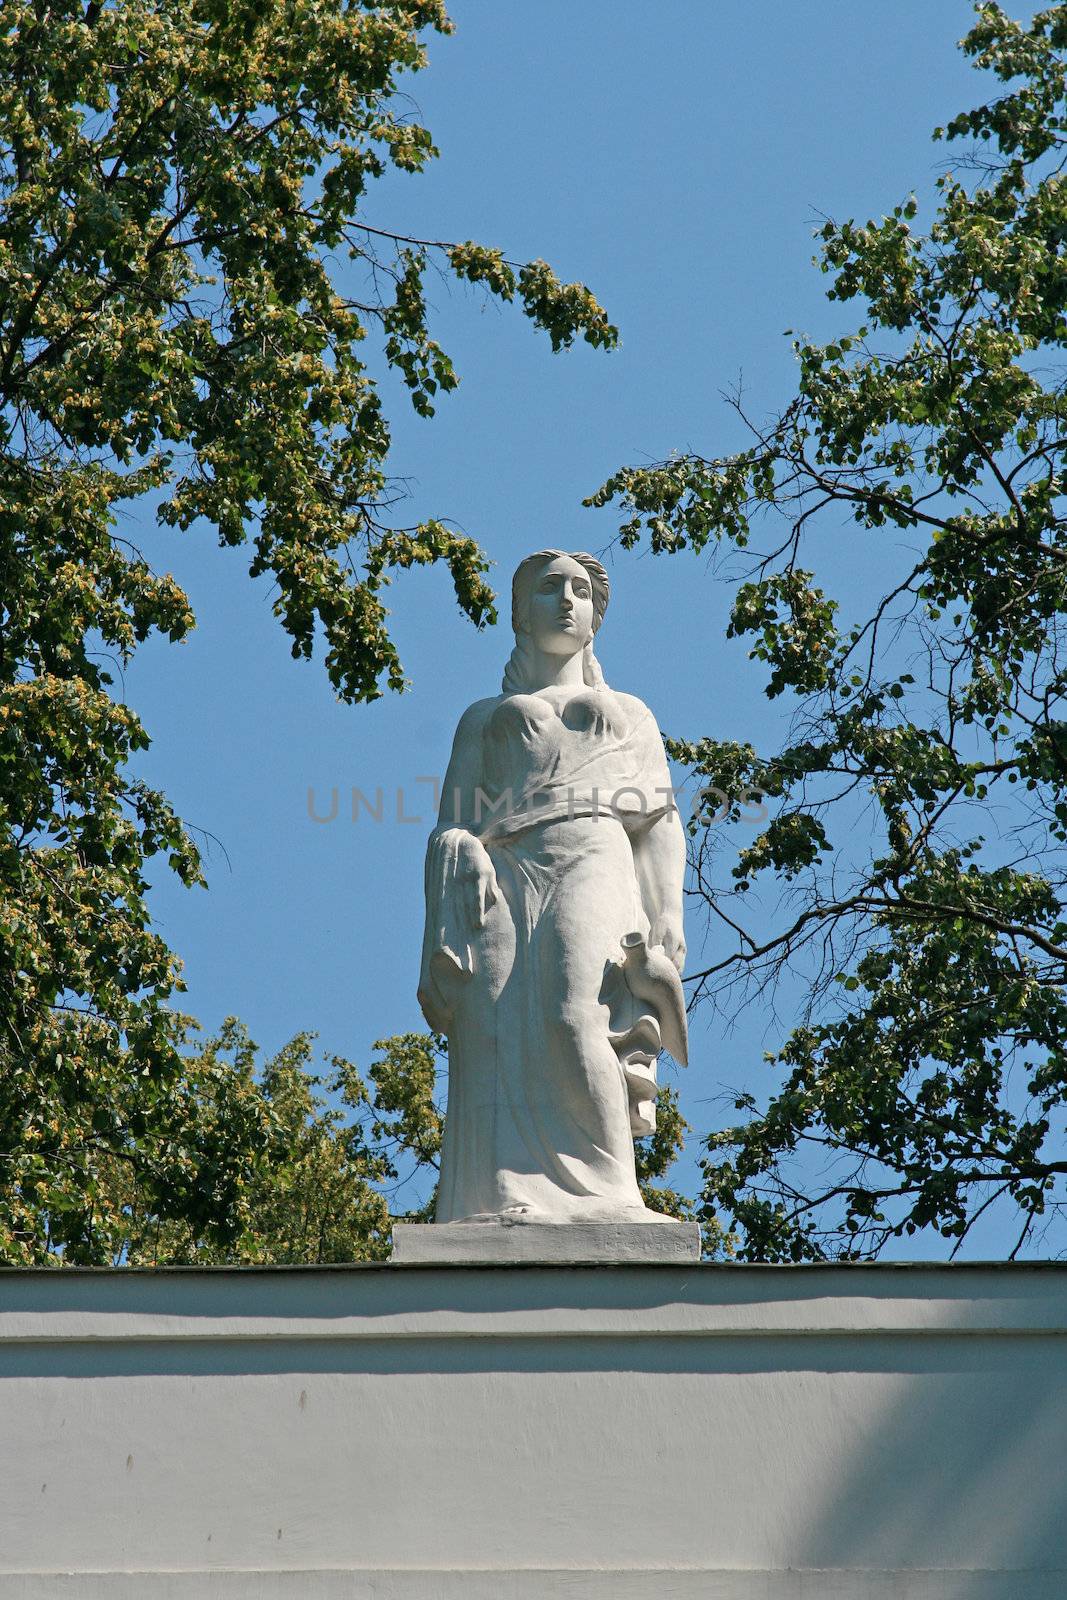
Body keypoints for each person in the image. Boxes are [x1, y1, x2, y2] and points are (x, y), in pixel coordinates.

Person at [418, 548, 686, 1222]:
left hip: (593, 852)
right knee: (495, 1024)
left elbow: (656, 823)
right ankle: (500, 1192)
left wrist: (668, 914)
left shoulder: (629, 711)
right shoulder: (484, 717)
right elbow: (452, 823)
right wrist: (459, 851)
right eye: (547, 588)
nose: (566, 600)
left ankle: (609, 1195)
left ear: (596, 616)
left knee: (576, 1017)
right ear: (517, 611)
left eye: (579, 591)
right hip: (499, 872)